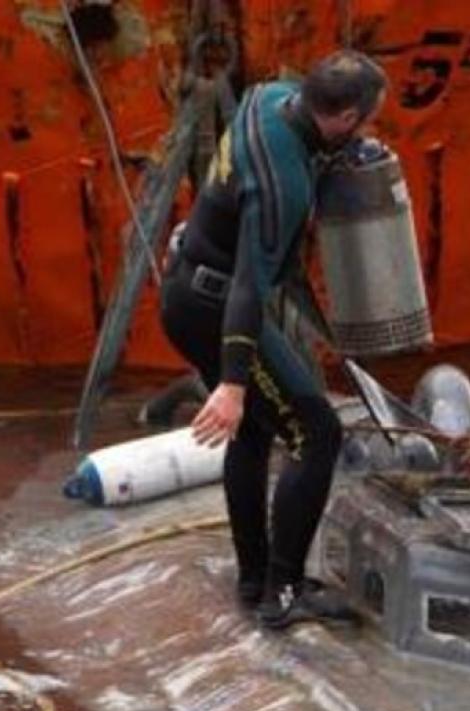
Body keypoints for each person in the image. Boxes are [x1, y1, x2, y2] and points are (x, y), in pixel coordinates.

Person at [159, 50, 385, 628]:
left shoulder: (268, 97)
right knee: (316, 432)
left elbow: (302, 148)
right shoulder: (282, 186)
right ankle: (283, 594)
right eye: (366, 120)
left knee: (256, 430)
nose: (368, 128)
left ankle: (254, 577)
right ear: (345, 117)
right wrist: (233, 385)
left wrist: (345, 154)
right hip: (216, 306)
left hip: (186, 287)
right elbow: (248, 288)